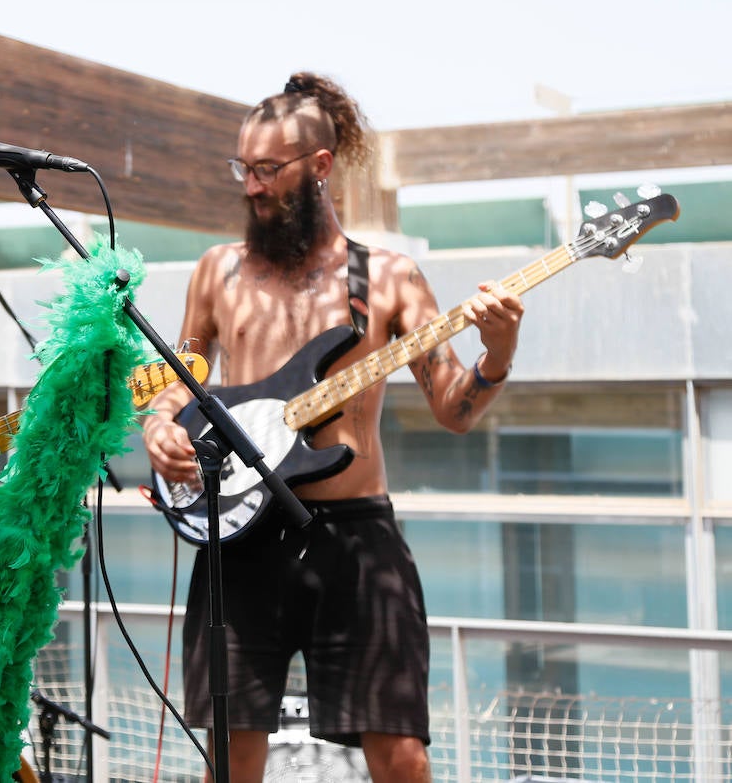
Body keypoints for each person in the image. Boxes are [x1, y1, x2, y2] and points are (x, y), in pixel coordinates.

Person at [142, 72, 523, 783]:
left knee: (402, 755)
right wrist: (159, 425)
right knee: (229, 756)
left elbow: (451, 406)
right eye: (243, 169)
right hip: (239, 540)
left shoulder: (388, 277)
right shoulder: (215, 272)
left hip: (355, 539)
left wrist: (496, 354)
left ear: (320, 167)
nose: (251, 187)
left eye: (267, 170)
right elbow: (176, 376)